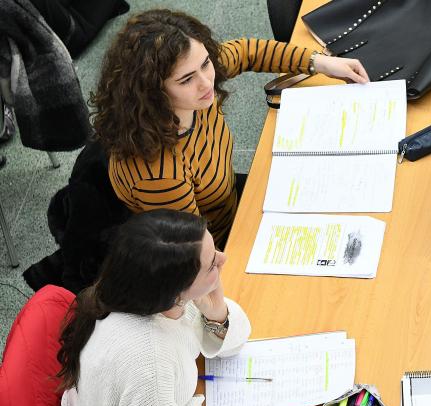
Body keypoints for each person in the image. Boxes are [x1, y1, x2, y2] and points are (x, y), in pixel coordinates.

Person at [91, 9, 370, 248]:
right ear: (151, 92)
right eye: (187, 79)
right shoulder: (159, 174)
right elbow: (194, 250)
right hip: (222, 240)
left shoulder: (194, 86)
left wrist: (321, 63)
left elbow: (247, 51)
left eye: (206, 64)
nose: (206, 82)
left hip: (234, 203)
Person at [56, 209, 251, 406]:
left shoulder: (141, 292)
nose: (223, 259)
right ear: (175, 291)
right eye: (212, 264)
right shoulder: (148, 359)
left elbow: (235, 341)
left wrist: (217, 312)